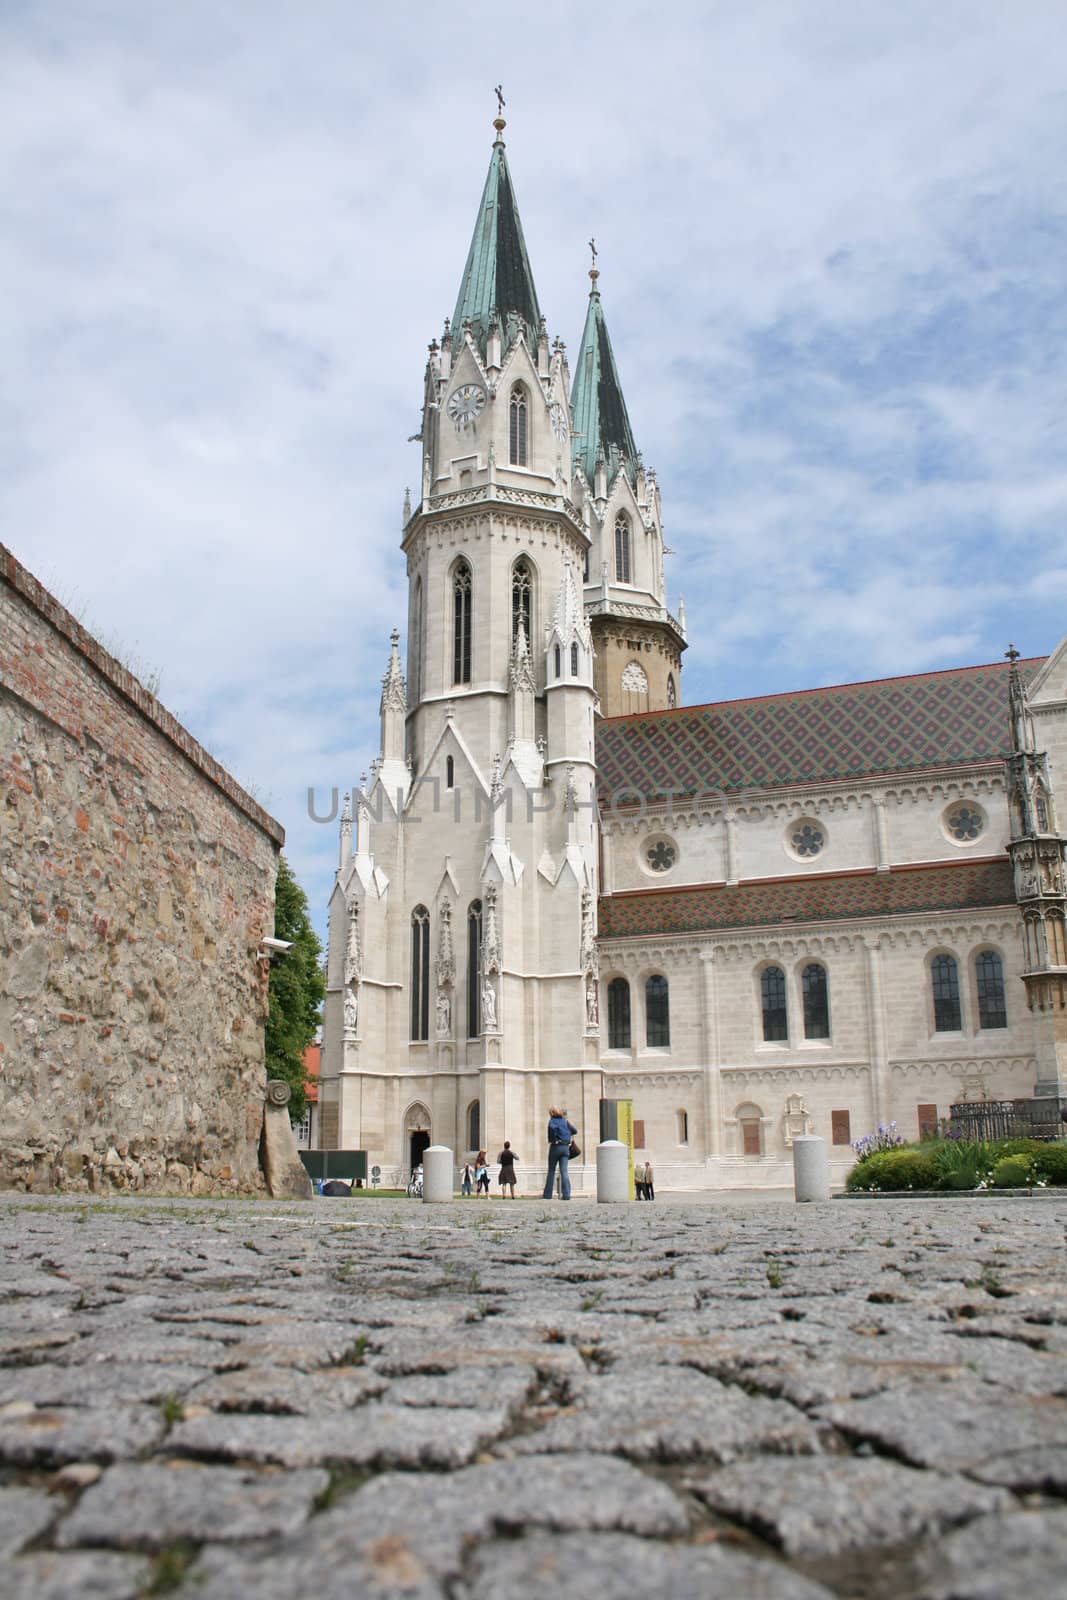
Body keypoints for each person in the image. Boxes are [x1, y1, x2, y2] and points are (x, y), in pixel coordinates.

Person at [542, 1105, 576, 1200]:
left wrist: (554, 1139)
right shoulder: (565, 1121)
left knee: (551, 1170)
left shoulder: (552, 1121)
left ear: (551, 1114)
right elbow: (574, 1131)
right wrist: (567, 1133)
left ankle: (548, 1194)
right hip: (565, 1147)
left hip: (555, 1147)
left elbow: (551, 1130)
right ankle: (567, 1194)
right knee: (564, 1171)